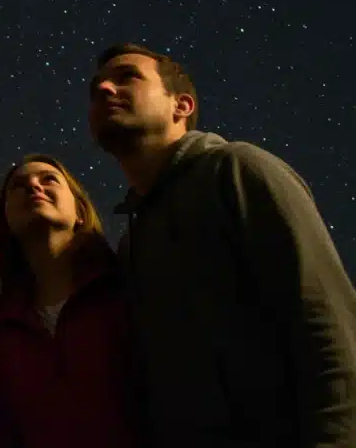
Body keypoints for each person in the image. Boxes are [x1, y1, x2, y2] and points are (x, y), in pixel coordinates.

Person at [89, 43, 356, 447]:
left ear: (181, 105)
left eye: (127, 77)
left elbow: (327, 325)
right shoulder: (132, 242)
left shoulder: (238, 171)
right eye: (96, 88)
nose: (105, 89)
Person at [0, 154, 138, 448]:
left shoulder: (128, 290)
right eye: (18, 186)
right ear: (6, 221)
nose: (34, 186)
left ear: (80, 212)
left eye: (48, 179)